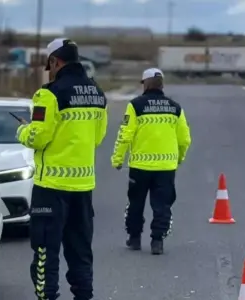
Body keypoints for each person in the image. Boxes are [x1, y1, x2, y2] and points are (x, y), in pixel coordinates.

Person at [16, 38, 108, 300]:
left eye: (50, 65)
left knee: (46, 252)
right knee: (81, 252)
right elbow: (98, 137)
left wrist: (24, 131)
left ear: (55, 61)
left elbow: (39, 137)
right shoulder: (97, 93)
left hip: (51, 188)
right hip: (83, 187)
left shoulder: (49, 94)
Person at [111, 68, 191, 255]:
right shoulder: (175, 107)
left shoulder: (135, 105)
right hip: (166, 168)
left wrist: (117, 159)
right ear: (162, 84)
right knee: (162, 205)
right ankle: (157, 241)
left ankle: (134, 239)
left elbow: (125, 135)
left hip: (140, 167)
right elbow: (185, 139)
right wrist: (179, 158)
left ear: (145, 84)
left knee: (135, 204)